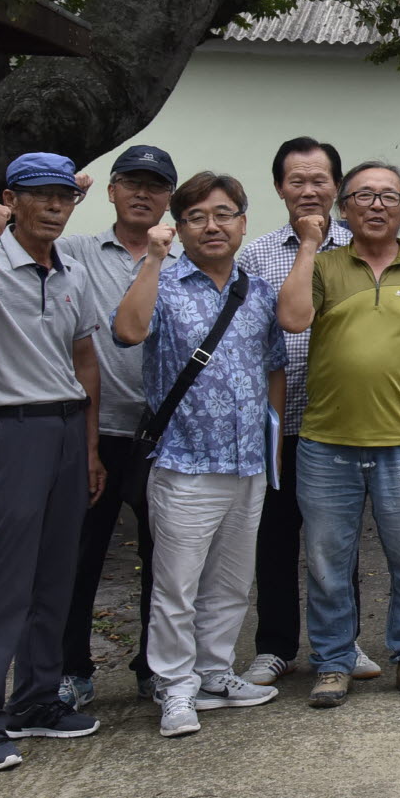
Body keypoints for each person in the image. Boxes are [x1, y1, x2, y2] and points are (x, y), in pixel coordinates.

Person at [0, 153, 106, 772]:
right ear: (11, 200)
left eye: (65, 196)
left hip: (66, 427)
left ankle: (36, 701)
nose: (55, 207)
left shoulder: (70, 270)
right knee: (1, 583)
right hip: (7, 430)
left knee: (54, 576)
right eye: (41, 196)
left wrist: (90, 446)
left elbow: (84, 360)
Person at [110, 173, 288, 736]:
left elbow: (274, 369)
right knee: (176, 588)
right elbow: (127, 332)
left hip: (247, 464)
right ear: (180, 227)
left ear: (243, 223)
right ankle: (175, 687)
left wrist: (272, 447)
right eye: (197, 217)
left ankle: (214, 672)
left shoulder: (258, 292)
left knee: (231, 583)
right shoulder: (161, 282)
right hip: (184, 464)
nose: (212, 226)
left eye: (224, 214)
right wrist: (152, 261)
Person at [276, 161, 400, 708]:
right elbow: (292, 319)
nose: (377, 205)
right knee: (327, 564)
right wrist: (309, 245)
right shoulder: (323, 266)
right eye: (363, 195)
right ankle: (333, 662)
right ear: (343, 207)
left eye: (389, 197)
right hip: (326, 443)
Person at [237, 137, 372, 688]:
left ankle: (343, 640)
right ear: (279, 188)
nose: (309, 190)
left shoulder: (364, 248)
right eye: (297, 180)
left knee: (338, 540)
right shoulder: (256, 255)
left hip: (340, 422)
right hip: (276, 423)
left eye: (320, 180)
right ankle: (275, 645)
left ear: (337, 187)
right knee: (273, 537)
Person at [52, 144, 176, 708]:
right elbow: (15, 242)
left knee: (164, 560)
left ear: (168, 198)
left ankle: (153, 667)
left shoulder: (182, 263)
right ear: (111, 190)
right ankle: (71, 670)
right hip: (95, 431)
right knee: (80, 556)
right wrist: (66, 197)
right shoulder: (74, 250)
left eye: (155, 185)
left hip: (162, 436)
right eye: (131, 182)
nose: (142, 193)